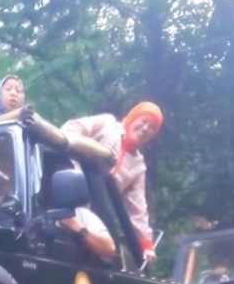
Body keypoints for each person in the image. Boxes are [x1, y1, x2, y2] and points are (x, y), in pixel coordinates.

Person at [60, 101, 163, 264]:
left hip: (99, 210)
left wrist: (146, 245)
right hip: (69, 192)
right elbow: (71, 128)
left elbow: (138, 209)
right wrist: (76, 163)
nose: (145, 129)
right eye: (144, 121)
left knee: (108, 252)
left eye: (151, 127)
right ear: (133, 117)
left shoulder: (138, 166)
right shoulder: (107, 124)